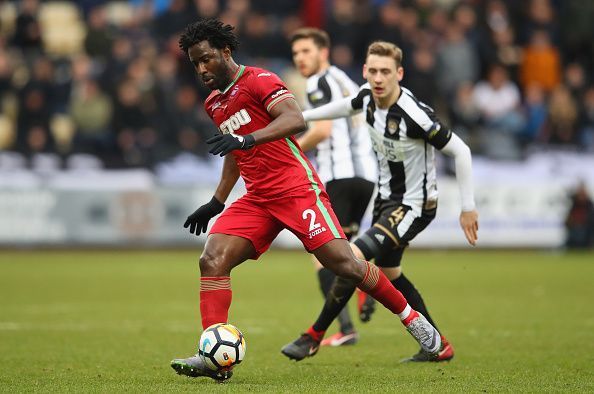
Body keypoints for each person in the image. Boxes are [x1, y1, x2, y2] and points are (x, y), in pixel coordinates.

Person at [170, 20, 442, 381]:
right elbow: (234, 152)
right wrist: (217, 201)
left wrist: (247, 139)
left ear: (225, 52)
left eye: (206, 59)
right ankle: (213, 358)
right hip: (259, 198)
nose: (201, 69)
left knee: (344, 264)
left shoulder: (259, 80)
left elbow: (295, 120)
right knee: (212, 259)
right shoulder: (214, 103)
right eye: (195, 64)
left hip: (297, 190)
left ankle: (414, 321)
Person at [281, 41, 479, 363]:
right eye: (372, 71)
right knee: (390, 274)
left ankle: (313, 336)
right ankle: (438, 346)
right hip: (386, 200)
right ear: (364, 71)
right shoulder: (367, 98)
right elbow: (344, 106)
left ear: (399, 73)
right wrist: (300, 116)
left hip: (414, 205)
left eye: (385, 72)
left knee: (351, 256)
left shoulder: (415, 116)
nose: (378, 78)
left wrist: (467, 207)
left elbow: (461, 151)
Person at [290, 27, 378, 347]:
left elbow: (323, 130)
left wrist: (292, 147)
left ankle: (345, 328)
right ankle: (366, 287)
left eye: (306, 51)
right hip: (366, 176)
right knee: (347, 250)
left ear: (323, 52)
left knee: (322, 253)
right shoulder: (345, 79)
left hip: (338, 177)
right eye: (296, 53)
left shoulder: (319, 82)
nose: (300, 58)